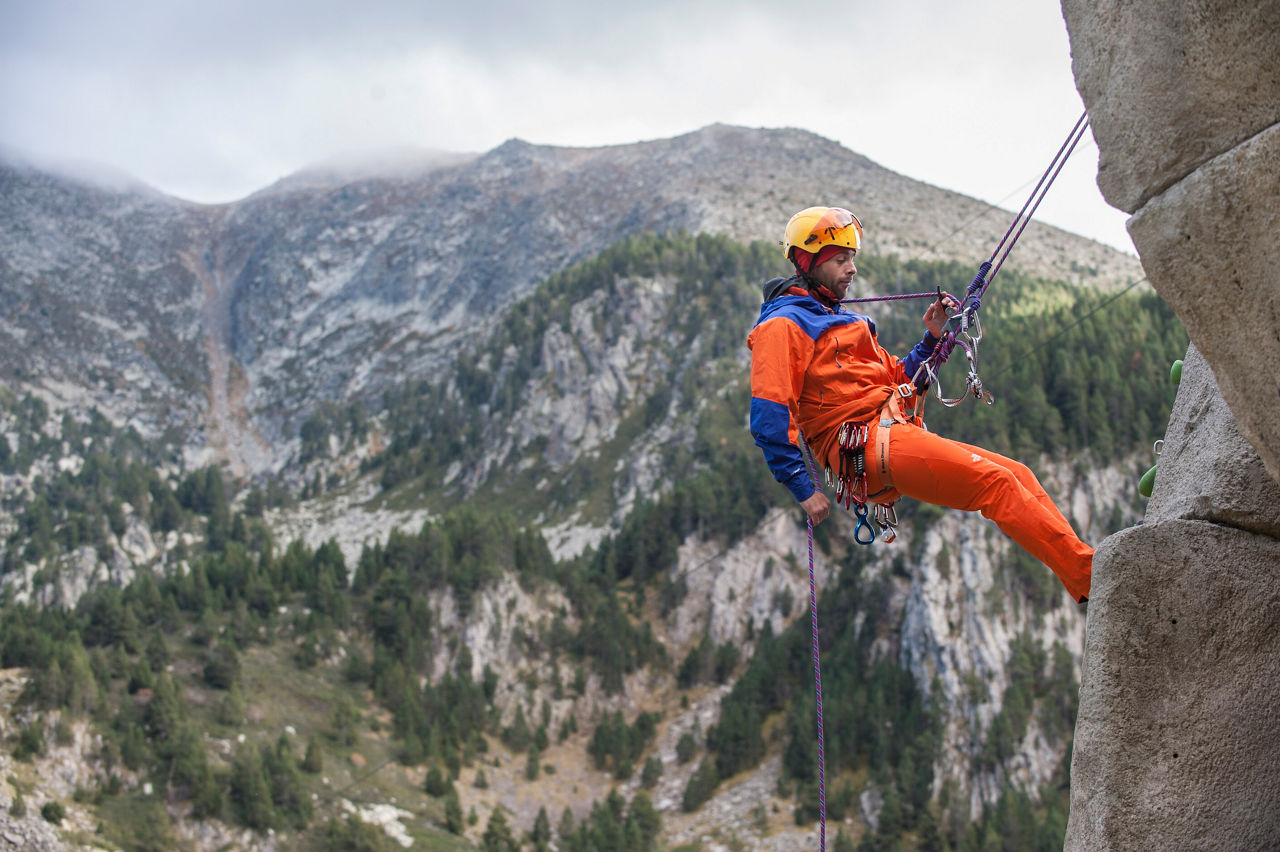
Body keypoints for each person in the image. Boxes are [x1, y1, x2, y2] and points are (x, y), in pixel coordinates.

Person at [747, 206, 1091, 602]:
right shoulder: (782, 325)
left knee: (1018, 474)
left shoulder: (846, 323)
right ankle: (1087, 572)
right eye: (841, 259)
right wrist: (802, 487)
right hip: (859, 443)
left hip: (886, 429)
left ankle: (1081, 576)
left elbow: (899, 379)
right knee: (996, 484)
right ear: (809, 262)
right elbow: (769, 413)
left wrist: (932, 339)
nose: (852, 269)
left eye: (852, 258)